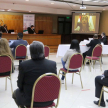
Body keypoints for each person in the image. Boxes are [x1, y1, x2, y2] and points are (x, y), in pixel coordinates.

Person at [12, 41, 57, 108]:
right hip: (49, 99)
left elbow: (19, 85)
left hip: (31, 100)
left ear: (30, 52)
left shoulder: (24, 65)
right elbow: (54, 83)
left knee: (15, 94)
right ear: (43, 50)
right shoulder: (52, 64)